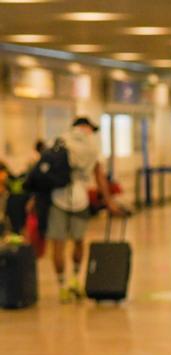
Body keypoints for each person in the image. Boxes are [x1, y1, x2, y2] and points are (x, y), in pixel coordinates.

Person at [47, 117, 119, 302]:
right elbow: (99, 176)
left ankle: (62, 285)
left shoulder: (60, 141)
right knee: (79, 241)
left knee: (58, 244)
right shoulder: (92, 147)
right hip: (80, 199)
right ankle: (75, 280)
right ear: (86, 128)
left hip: (57, 198)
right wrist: (109, 201)